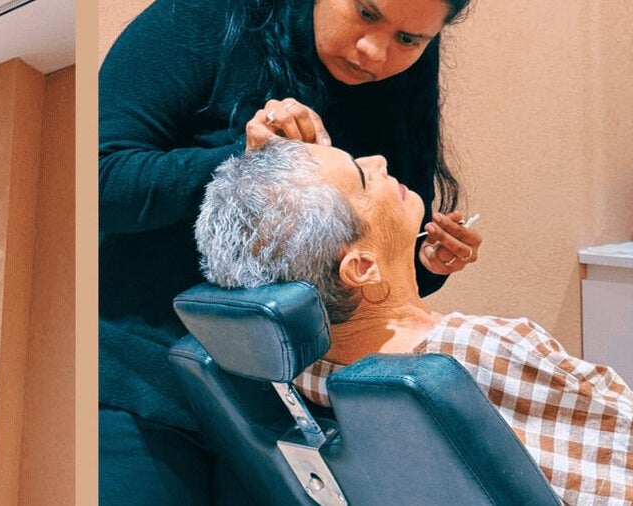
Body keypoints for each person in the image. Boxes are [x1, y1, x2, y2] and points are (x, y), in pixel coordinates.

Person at [194, 138, 633, 506]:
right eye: (364, 177)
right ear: (360, 268)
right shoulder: (478, 353)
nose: (383, 164)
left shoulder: (301, 375)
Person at [99, 0, 483, 503]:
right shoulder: (201, 18)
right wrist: (244, 162)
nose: (374, 52)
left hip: (294, 405)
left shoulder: (401, 64)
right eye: (366, 13)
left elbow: (372, 248)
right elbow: (101, 183)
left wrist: (425, 260)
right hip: (145, 381)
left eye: (409, 41)